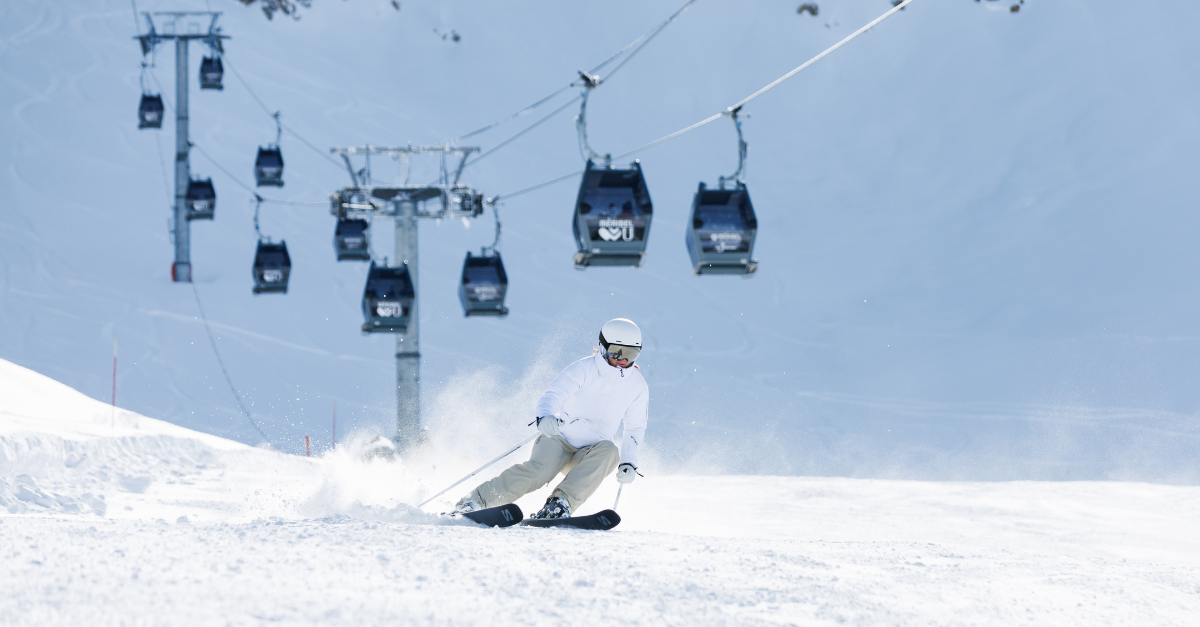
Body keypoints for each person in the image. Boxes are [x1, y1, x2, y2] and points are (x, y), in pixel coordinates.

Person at [455, 318, 649, 519]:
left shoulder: (637, 386)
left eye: (631, 353)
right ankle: (476, 501)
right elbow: (554, 393)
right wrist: (546, 416)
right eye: (617, 351)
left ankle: (559, 505)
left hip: (590, 453)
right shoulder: (584, 369)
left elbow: (635, 428)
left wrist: (629, 462)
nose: (623, 360)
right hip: (559, 438)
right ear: (602, 347)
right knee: (540, 472)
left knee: (611, 452)